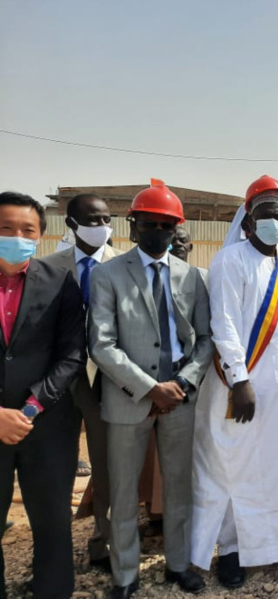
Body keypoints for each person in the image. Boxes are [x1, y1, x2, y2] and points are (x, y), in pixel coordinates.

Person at [89, 181, 213, 598]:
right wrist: (149, 388)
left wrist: (183, 382)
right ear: (133, 227)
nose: (158, 231)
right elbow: (101, 345)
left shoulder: (191, 275)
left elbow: (205, 340)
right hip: (128, 400)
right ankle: (126, 575)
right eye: (150, 224)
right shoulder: (108, 274)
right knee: (123, 493)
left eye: (167, 225)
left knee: (179, 488)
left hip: (179, 398)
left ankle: (177, 565)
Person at [191, 176, 278, 588]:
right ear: (248, 220)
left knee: (276, 468)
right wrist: (240, 380)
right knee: (234, 468)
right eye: (266, 214)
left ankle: (271, 546)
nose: (274, 222)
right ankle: (230, 550)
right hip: (238, 388)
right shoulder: (230, 260)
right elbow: (223, 325)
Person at [0, 191, 87, 599]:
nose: (17, 236)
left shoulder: (59, 282)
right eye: (6, 229)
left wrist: (31, 408)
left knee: (53, 525)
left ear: (40, 236)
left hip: (47, 426)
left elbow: (71, 354)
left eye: (27, 230)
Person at [40, 193, 116, 574]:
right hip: (56, 382)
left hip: (104, 382)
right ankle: (54, 551)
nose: (101, 227)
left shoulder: (123, 266)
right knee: (55, 466)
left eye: (106, 219)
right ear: (71, 225)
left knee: (104, 468)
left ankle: (102, 544)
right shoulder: (48, 268)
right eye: (92, 220)